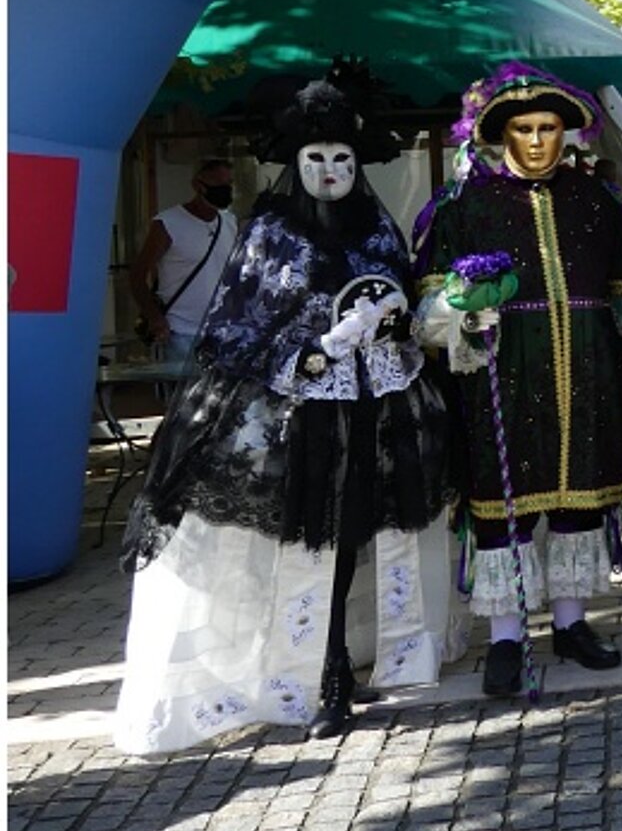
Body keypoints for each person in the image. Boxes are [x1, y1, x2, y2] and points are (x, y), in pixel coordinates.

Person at [115, 65, 457, 753]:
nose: (330, 170)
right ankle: (321, 672)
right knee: (315, 538)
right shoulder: (271, 232)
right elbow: (239, 322)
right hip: (300, 416)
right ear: (296, 163)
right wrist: (306, 350)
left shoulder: (376, 226)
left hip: (376, 406)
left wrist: (393, 320)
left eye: (341, 159)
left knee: (360, 528)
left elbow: (400, 291)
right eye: (317, 159)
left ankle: (347, 658)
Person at [414, 62, 622, 698]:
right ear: (501, 135)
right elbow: (428, 309)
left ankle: (571, 624)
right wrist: (464, 309)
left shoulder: (597, 199)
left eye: (549, 128)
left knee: (578, 504)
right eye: (524, 128)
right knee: (502, 511)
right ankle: (508, 638)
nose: (539, 140)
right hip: (501, 376)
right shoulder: (465, 206)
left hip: (588, 371)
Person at [128, 156, 239, 364]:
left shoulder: (230, 222)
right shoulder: (168, 224)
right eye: (218, 184)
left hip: (221, 332)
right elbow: (137, 275)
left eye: (229, 184)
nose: (225, 190)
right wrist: (155, 318)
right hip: (180, 333)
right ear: (198, 186)